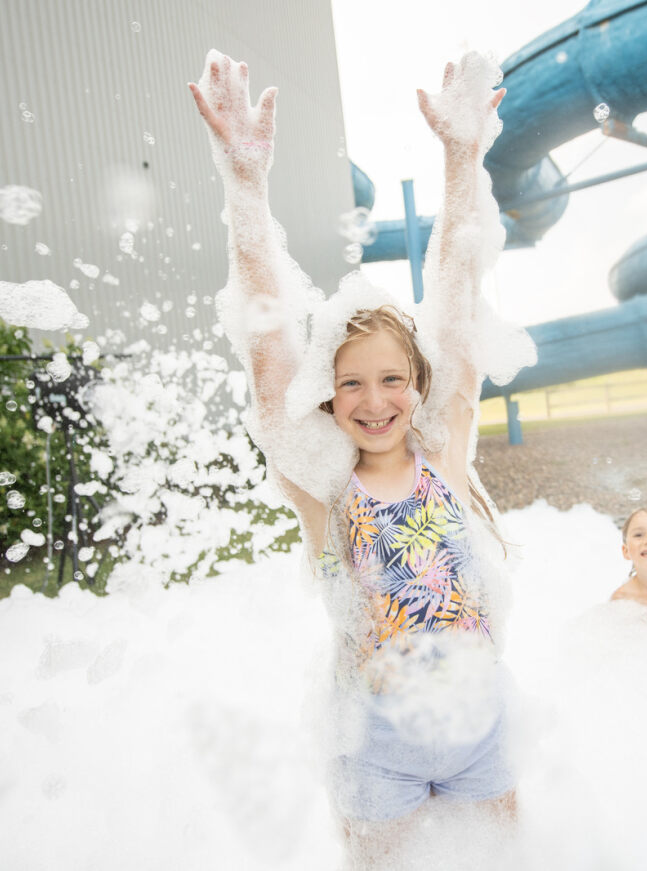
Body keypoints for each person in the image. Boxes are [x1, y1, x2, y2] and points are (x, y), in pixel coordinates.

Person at [188, 50, 533, 866]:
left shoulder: (445, 454)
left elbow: (453, 291)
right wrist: (244, 181)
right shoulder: (325, 487)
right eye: (350, 384)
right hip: (375, 740)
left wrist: (461, 159)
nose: (373, 401)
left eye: (390, 379)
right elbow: (267, 348)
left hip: (480, 724)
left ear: (419, 386)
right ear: (327, 396)